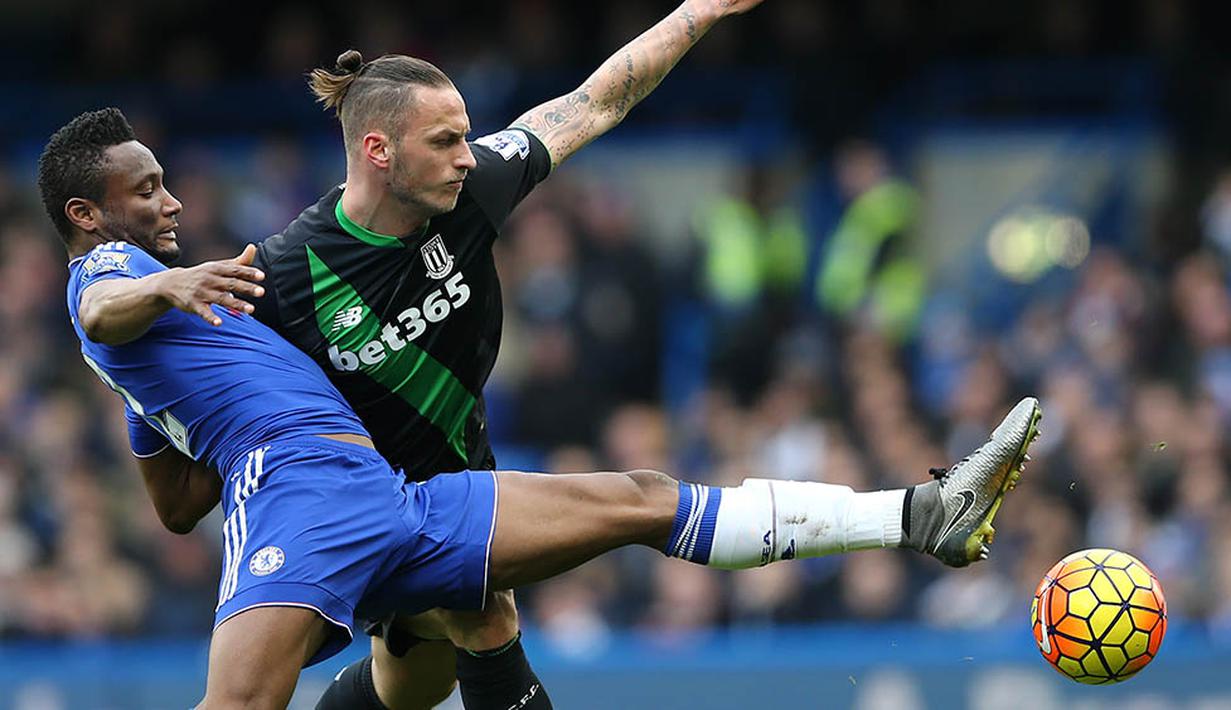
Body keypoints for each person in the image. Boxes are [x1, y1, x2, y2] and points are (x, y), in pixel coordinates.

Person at [40, 107, 1040, 710]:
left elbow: (174, 503)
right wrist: (159, 291)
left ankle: (919, 515)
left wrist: (166, 398)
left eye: (166, 185)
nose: (168, 203)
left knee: (633, 502)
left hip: (388, 490)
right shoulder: (114, 273)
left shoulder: (165, 354)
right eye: (145, 190)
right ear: (89, 215)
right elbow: (100, 299)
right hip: (299, 495)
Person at [251, 1, 786, 707]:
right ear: (380, 151)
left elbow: (594, 102)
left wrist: (698, 9)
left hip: (461, 476)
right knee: (489, 617)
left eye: (467, 136)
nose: (467, 156)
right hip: (367, 508)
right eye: (445, 140)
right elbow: (171, 353)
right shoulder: (281, 273)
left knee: (414, 685)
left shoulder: (469, 191)